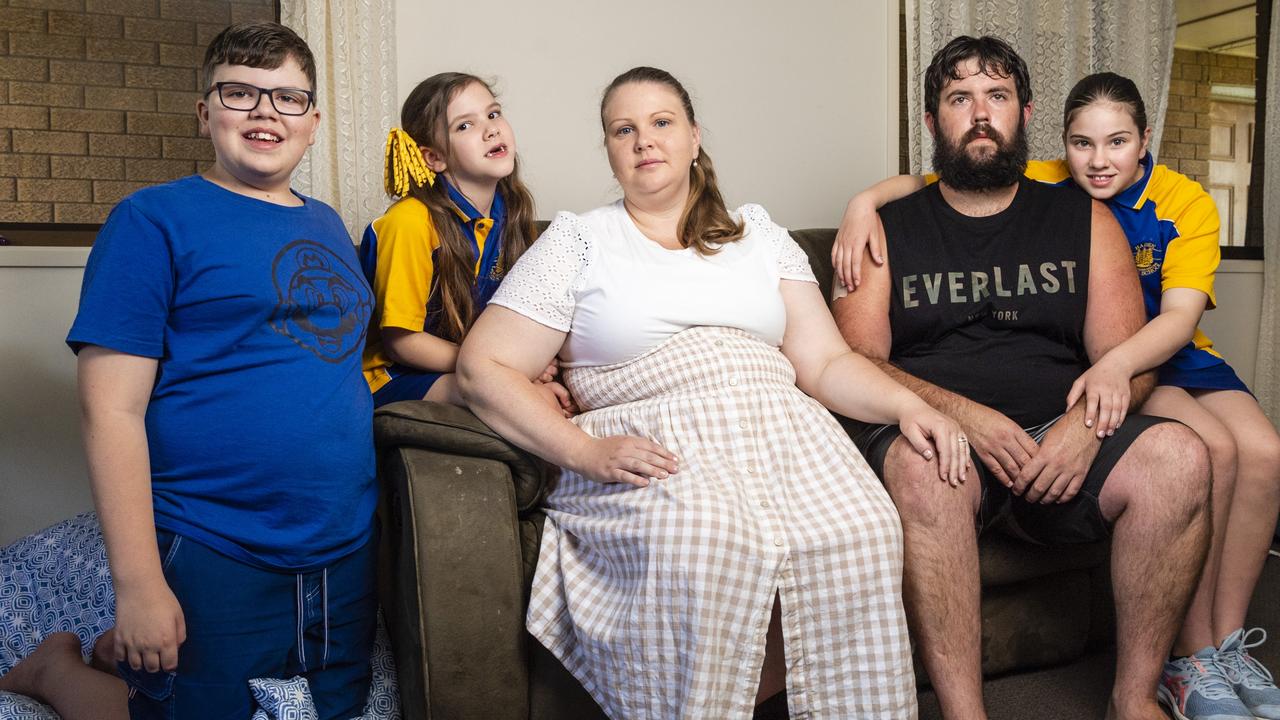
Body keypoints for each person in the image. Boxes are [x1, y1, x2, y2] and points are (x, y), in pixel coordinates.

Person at [457, 66, 967, 719]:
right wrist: (584, 453)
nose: (644, 140)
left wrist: (911, 405)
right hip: (659, 448)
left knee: (863, 528)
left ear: (694, 137)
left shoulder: (757, 237)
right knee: (714, 540)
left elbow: (826, 363)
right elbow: (484, 366)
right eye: (624, 129)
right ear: (610, 151)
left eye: (662, 123)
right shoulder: (580, 241)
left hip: (785, 439)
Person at [834, 70, 1280, 720]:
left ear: (1025, 113)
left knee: (1187, 457)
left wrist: (1083, 428)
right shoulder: (890, 225)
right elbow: (856, 361)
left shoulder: (1087, 216)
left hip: (1076, 418)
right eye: (960, 99)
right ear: (932, 123)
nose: (981, 114)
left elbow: (1135, 351)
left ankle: (1145, 695)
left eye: (998, 97)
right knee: (925, 470)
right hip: (945, 442)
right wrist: (966, 419)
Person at [56, 21, 378, 719]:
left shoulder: (328, 224)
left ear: (313, 122)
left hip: (342, 543)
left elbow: (343, 361)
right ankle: (54, 672)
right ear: (205, 113)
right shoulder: (153, 219)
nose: (266, 112)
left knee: (338, 707)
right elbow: (109, 410)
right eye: (241, 94)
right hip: (214, 538)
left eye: (288, 98)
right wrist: (139, 584)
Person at [361, 73, 570, 413]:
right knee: (516, 400)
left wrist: (532, 361)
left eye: (493, 113)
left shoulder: (511, 209)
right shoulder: (410, 222)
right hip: (396, 375)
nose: (491, 129)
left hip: (479, 363)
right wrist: (506, 370)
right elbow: (403, 343)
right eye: (464, 126)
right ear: (433, 158)